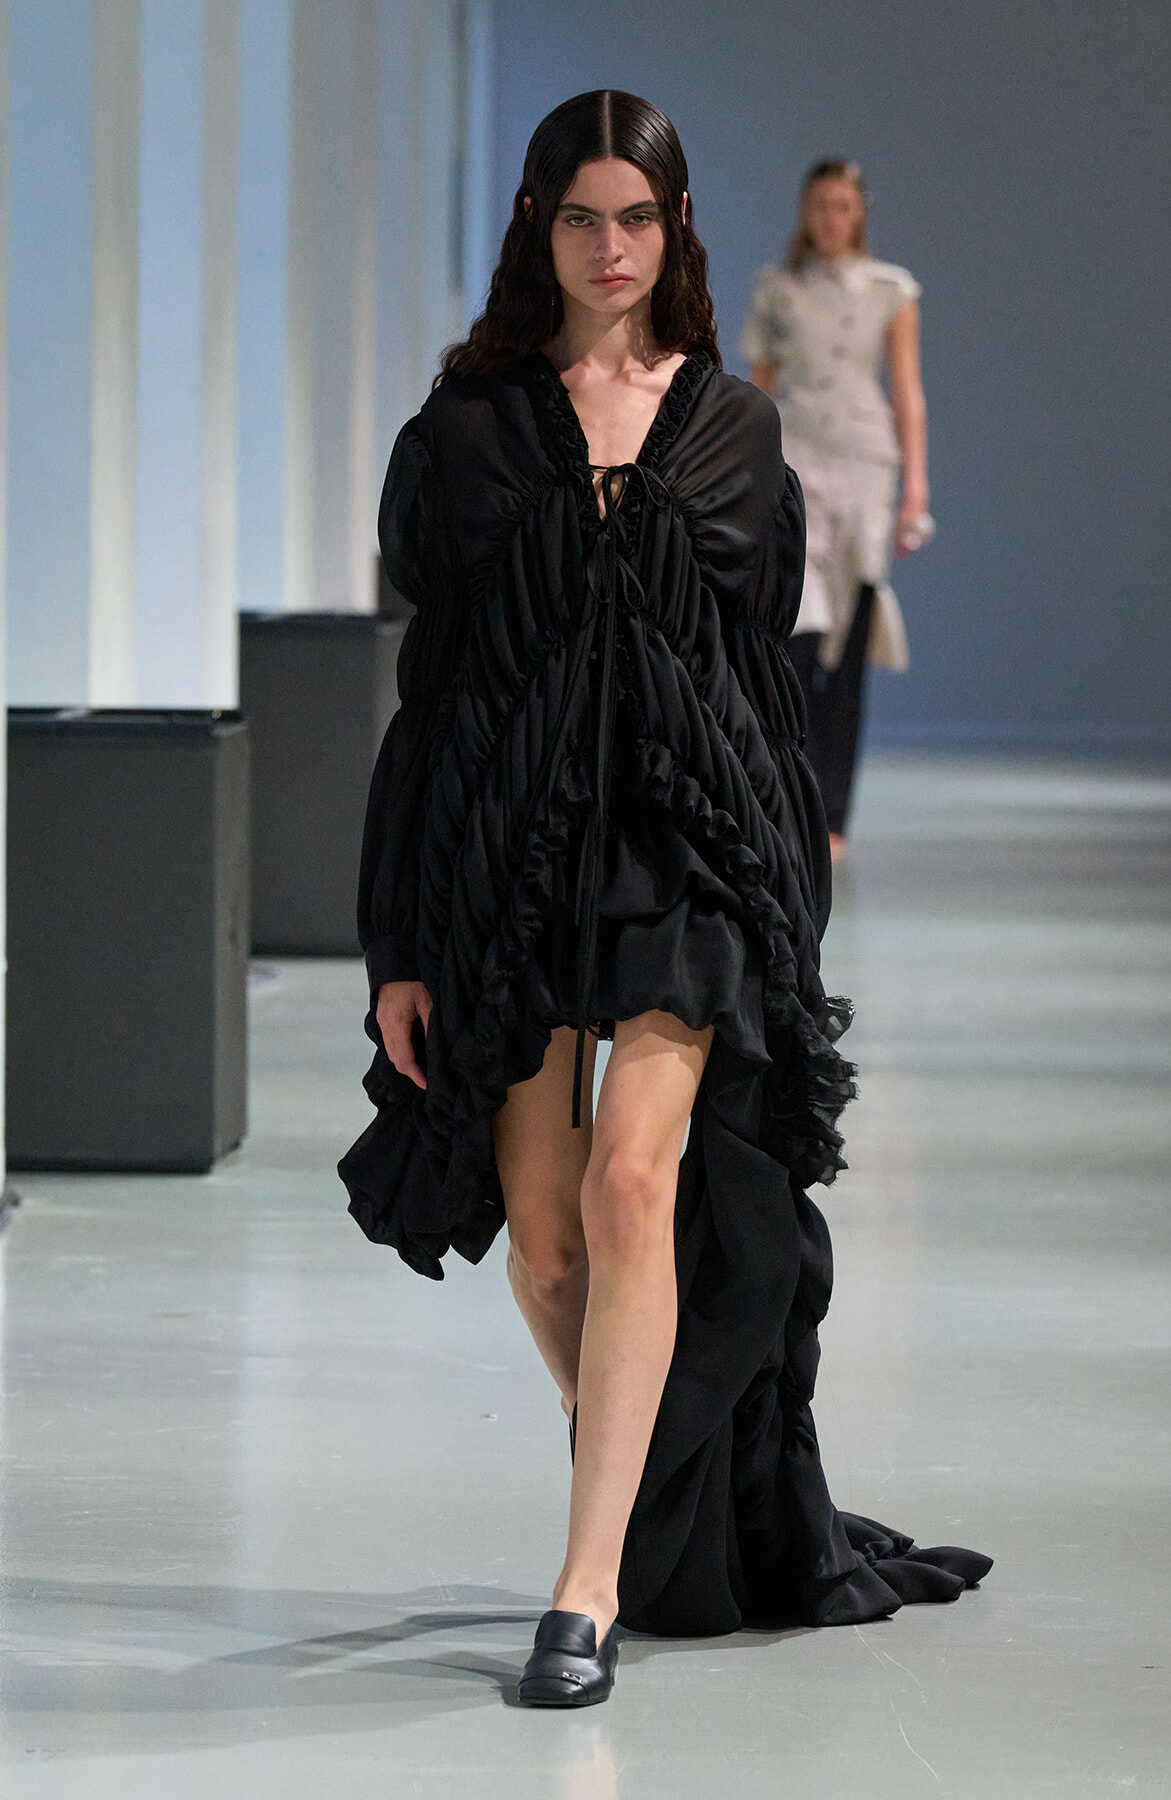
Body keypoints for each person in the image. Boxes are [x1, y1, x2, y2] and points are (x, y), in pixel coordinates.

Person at [339, 92, 988, 1710]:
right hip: (509, 865)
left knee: (638, 1190)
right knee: (548, 1251)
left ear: (675, 230)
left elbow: (760, 692)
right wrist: (397, 945)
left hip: (690, 858)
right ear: (540, 227)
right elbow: (430, 698)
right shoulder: (468, 433)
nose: (610, 248)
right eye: (581, 217)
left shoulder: (731, 427)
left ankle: (583, 1586)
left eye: (637, 219)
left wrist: (788, 908)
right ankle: (638, 1480)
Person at [743, 159, 933, 857]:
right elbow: (755, 395)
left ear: (860, 213)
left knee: (849, 646)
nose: (831, 218)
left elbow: (907, 390)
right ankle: (795, 800)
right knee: (792, 636)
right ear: (805, 211)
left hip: (862, 463)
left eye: (843, 206)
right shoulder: (777, 289)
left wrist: (917, 489)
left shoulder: (890, 291)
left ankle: (835, 814)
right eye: (820, 205)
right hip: (796, 459)